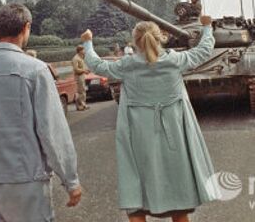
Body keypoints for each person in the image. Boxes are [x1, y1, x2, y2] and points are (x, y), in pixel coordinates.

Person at [0, 4, 82, 222]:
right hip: (25, 179)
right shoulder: (35, 70)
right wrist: (71, 180)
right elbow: (52, 132)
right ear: (26, 27)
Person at [80, 15, 216, 222]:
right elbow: (204, 50)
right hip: (175, 135)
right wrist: (207, 27)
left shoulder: (126, 65)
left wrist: (88, 42)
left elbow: (97, 65)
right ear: (160, 37)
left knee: (136, 196)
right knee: (180, 198)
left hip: (138, 136)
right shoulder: (175, 61)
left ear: (135, 42)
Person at [72, 45, 90, 111]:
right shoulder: (76, 58)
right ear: (80, 51)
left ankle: (83, 105)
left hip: (81, 76)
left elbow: (82, 67)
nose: (84, 51)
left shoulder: (81, 57)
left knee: (82, 91)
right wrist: (84, 71)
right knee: (80, 91)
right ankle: (81, 106)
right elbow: (76, 69)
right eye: (83, 50)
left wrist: (86, 70)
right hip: (78, 76)